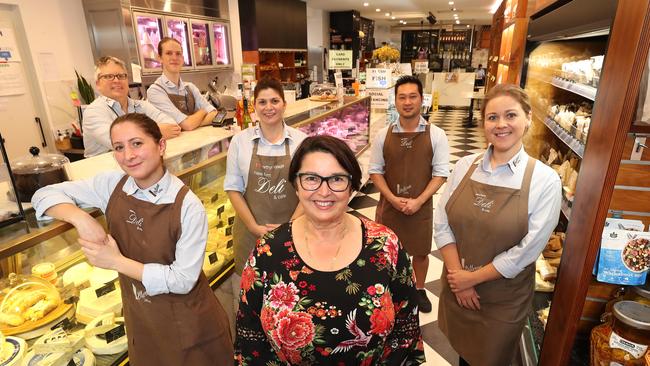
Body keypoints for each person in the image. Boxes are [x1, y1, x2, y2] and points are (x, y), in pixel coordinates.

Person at [32, 113, 233, 365]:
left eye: (137, 143)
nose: (128, 155)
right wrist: (82, 219)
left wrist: (115, 261)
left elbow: (182, 280)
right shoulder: (112, 185)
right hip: (142, 320)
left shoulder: (187, 205)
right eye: (119, 147)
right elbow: (42, 195)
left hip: (189, 324)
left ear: (160, 146)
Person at [234, 135, 425, 365]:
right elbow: (250, 337)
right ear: (296, 184)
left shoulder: (385, 245)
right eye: (311, 178)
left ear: (352, 186)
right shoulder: (268, 251)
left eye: (336, 179)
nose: (324, 192)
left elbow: (405, 330)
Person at [434, 84, 561, 366]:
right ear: (483, 123)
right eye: (492, 117)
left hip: (501, 301)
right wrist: (459, 279)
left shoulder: (545, 180)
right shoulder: (465, 165)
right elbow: (442, 223)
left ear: (528, 118)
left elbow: (527, 251)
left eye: (511, 115)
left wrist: (472, 279)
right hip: (458, 288)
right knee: (465, 356)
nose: (501, 124)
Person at [369, 75, 450, 313]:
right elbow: (375, 172)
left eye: (412, 96)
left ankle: (419, 289)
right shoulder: (383, 135)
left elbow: (441, 174)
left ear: (421, 99)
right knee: (386, 251)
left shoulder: (436, 135)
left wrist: (419, 200)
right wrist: (393, 199)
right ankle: (387, 288)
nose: (407, 102)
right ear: (395, 101)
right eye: (402, 97)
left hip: (421, 206)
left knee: (421, 252)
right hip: (389, 206)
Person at [225, 77, 307, 303]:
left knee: (290, 295)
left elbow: (309, 191)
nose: (269, 107)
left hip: (293, 231)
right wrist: (253, 226)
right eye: (262, 102)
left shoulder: (302, 142)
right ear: (254, 106)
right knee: (252, 296)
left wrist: (289, 226)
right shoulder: (239, 142)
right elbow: (233, 189)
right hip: (250, 233)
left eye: (274, 101)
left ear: (284, 104)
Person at [82, 56, 181, 157]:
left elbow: (173, 127)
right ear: (98, 84)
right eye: (108, 76)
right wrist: (156, 130)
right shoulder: (93, 112)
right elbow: (120, 143)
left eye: (121, 76)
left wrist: (139, 135)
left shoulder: (141, 106)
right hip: (104, 170)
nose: (116, 80)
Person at [146, 37, 219, 131]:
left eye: (178, 54)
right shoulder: (155, 91)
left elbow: (214, 113)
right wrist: (203, 111)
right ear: (160, 58)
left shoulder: (190, 87)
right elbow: (188, 125)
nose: (174, 57)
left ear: (182, 59)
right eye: (169, 53)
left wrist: (192, 123)